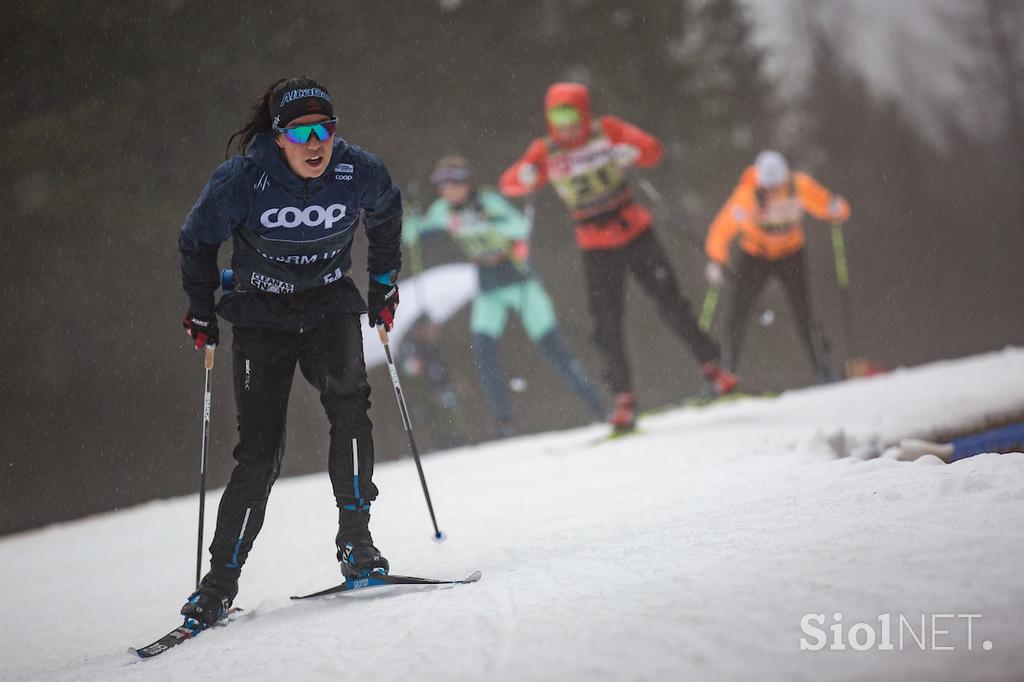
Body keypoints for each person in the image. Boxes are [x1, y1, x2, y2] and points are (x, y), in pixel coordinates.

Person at [178, 77, 402, 627]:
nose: (315, 142)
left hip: (329, 305)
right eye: (300, 131)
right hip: (261, 314)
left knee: (351, 407)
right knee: (261, 452)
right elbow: (197, 238)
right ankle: (218, 585)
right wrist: (201, 308)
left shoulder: (357, 170)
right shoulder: (242, 179)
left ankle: (357, 544)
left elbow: (387, 213)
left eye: (324, 128)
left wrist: (383, 285)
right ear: (278, 138)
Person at [499, 83, 736, 432]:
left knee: (670, 302)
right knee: (606, 324)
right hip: (595, 245)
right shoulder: (544, 150)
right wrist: (525, 176)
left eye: (571, 114)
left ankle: (714, 369)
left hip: (635, 230)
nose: (566, 125)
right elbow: (509, 183)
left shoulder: (605, 130)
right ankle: (623, 398)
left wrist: (633, 153)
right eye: (557, 116)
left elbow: (653, 149)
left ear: (583, 113)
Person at [406, 155, 606, 438]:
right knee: (484, 354)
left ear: (467, 182)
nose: (448, 189)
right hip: (488, 286)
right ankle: (504, 422)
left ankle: (598, 407)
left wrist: (486, 220)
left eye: (454, 182)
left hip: (517, 279)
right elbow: (413, 237)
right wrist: (409, 215)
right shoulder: (442, 210)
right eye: (442, 184)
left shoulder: (487, 202)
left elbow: (521, 227)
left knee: (554, 349)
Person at [703, 150, 851, 383]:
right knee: (737, 313)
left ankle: (824, 369)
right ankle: (725, 373)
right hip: (755, 255)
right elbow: (721, 229)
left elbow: (826, 204)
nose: (772, 191)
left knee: (804, 313)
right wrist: (716, 259)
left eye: (777, 185)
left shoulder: (799, 186)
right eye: (768, 186)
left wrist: (837, 209)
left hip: (791, 254)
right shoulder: (747, 196)